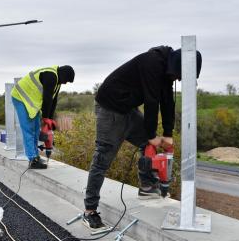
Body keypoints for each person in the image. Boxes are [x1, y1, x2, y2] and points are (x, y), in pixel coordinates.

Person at [83, 46, 202, 229]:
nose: (178, 79)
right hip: (109, 107)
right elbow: (151, 101)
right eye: (181, 75)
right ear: (178, 66)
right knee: (102, 157)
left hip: (127, 108)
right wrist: (153, 134)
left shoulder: (165, 71)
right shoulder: (152, 63)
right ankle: (89, 211)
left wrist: (168, 134)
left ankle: (147, 188)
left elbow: (167, 101)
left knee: (147, 145)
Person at [11, 65, 75, 169]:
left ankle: (35, 156)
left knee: (36, 129)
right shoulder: (51, 76)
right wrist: (45, 118)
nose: (65, 83)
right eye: (66, 80)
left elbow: (53, 100)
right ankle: (32, 159)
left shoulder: (57, 81)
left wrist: (50, 118)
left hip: (31, 101)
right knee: (29, 129)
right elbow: (47, 98)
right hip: (20, 97)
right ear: (63, 75)